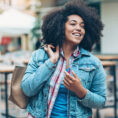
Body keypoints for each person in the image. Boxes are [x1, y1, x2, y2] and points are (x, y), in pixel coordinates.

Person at [21, 0, 106, 118]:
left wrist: (81, 91)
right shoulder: (40, 56)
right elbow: (27, 89)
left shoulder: (93, 63)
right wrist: (50, 63)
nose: (79, 28)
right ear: (61, 26)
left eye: (82, 26)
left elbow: (101, 102)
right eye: (73, 24)